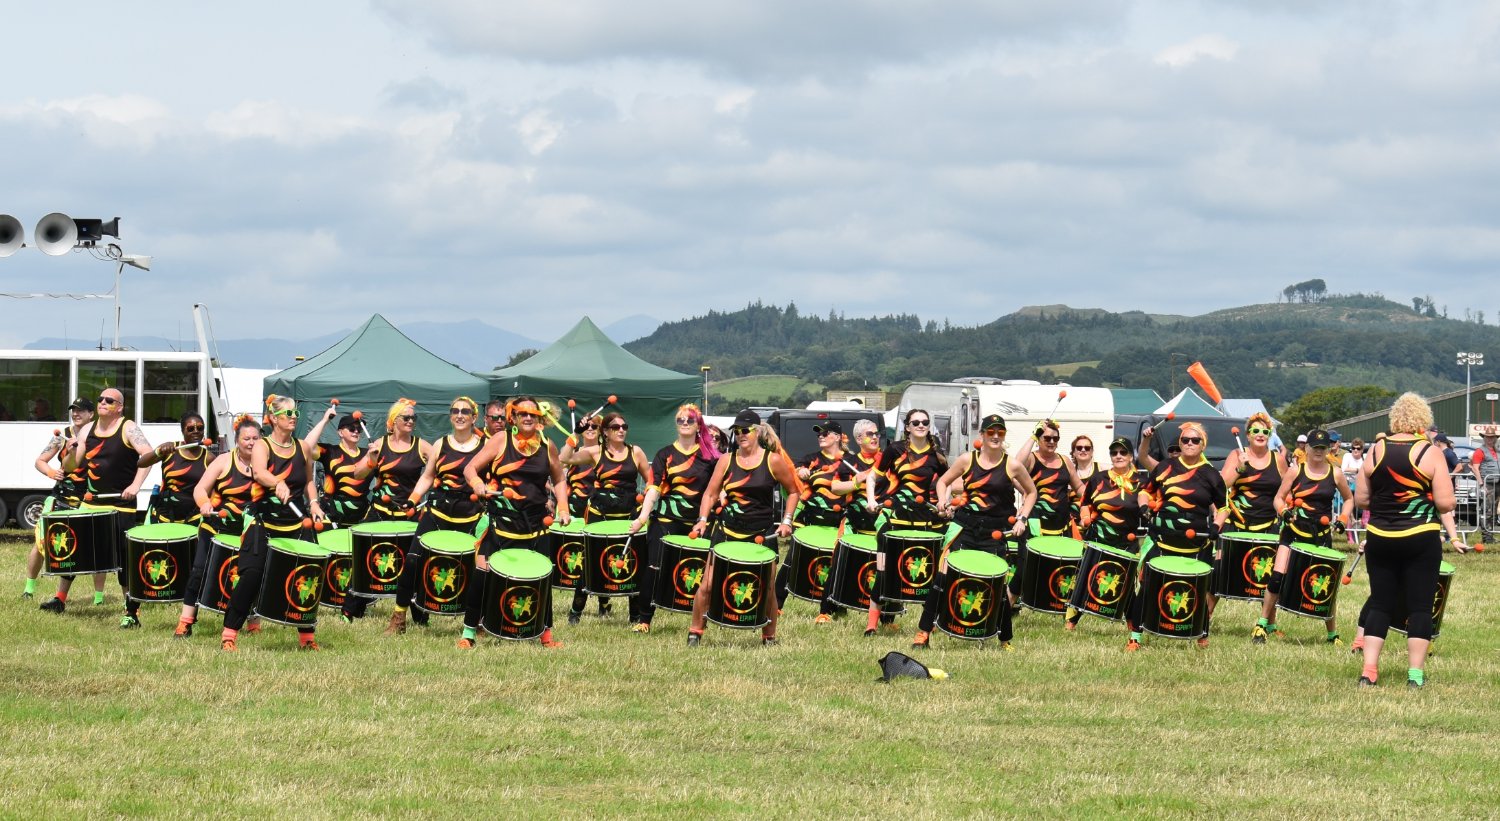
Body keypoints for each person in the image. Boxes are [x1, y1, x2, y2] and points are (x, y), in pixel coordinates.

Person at [1353, 393, 1454, 688]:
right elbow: (1447, 504)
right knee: (1420, 607)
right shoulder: (1430, 452)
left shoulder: (1376, 450)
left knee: (1380, 604)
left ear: (1394, 418)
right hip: (1420, 537)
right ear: (1424, 419)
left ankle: (1369, 671)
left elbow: (1361, 499)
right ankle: (1415, 675)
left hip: (1380, 536)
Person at [912, 414, 1037, 649]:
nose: (996, 436)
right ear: (982, 435)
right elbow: (943, 482)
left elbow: (1031, 492)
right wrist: (942, 501)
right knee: (943, 576)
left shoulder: (1012, 464)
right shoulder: (967, 460)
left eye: (1000, 432)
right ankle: (924, 632)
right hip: (966, 526)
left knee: (998, 583)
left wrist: (1022, 517)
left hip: (995, 531)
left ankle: (1004, 639)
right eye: (991, 432)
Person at [460, 396, 571, 649]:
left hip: (536, 523)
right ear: (514, 417)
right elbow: (470, 468)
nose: (528, 418)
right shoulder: (501, 440)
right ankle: (469, 633)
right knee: (482, 573)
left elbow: (560, 478)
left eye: (533, 414)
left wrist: (563, 506)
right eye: (522, 413)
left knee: (543, 576)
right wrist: (478, 485)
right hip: (502, 522)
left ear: (540, 418)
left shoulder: (548, 445)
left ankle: (546, 636)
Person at [686, 410, 800, 647]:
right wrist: (702, 518)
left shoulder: (773, 460)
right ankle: (695, 632)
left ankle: (769, 637)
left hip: (761, 533)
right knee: (707, 583)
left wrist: (787, 520)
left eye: (745, 430)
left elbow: (794, 491)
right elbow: (711, 493)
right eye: (736, 431)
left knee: (767, 588)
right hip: (728, 530)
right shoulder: (727, 460)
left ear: (757, 431)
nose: (740, 435)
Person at [220, 396, 324, 651]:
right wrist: (277, 482)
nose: (294, 416)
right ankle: (229, 634)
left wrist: (314, 504)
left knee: (306, 574)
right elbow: (259, 472)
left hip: (296, 521)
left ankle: (307, 638)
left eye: (296, 412)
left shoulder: (302, 447)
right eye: (288, 412)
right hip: (263, 520)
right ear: (274, 417)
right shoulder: (262, 446)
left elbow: (309, 480)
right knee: (251, 576)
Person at [382, 396, 487, 635]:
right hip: (438, 512)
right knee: (412, 561)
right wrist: (413, 500)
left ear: (474, 417)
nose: (459, 415)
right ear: (450, 415)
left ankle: (477, 621)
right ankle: (399, 616)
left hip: (471, 516)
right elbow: (428, 476)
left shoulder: (484, 445)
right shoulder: (440, 443)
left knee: (477, 570)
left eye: (465, 411)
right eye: (455, 411)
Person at [1127, 421, 1227, 650]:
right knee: (1146, 586)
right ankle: (1136, 636)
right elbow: (1145, 490)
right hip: (1163, 538)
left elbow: (1223, 507)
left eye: (1195, 440)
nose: (1189, 444)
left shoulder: (1211, 475)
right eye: (1185, 440)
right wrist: (1144, 508)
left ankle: (1201, 634)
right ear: (1179, 443)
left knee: (1199, 589)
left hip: (1196, 544)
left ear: (1203, 445)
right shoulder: (1166, 467)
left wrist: (1216, 527)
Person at [1251, 429, 1353, 645]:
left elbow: (1349, 499)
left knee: (1326, 582)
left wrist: (1343, 518)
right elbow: (1278, 498)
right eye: (1314, 447)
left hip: (1321, 535)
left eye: (1322, 448)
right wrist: (1284, 512)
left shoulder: (1335, 473)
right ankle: (1261, 625)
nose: (1318, 451)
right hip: (1293, 532)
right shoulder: (1295, 470)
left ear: (1328, 449)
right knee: (1277, 577)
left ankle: (1332, 634)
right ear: (1306, 448)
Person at [64, 387, 154, 628]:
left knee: (124, 561)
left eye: (109, 400)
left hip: (121, 505)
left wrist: (135, 485)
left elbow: (148, 455)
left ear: (120, 407)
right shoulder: (87, 430)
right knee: (73, 551)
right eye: (100, 399)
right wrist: (70, 452)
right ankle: (59, 598)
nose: (103, 402)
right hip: (91, 503)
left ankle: (131, 612)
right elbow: (72, 465)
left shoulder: (128, 427)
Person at [628, 403, 720, 633]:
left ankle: (702, 620)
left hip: (699, 521)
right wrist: (641, 518)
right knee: (654, 567)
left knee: (703, 572)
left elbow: (717, 489)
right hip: (667, 519)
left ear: (698, 424)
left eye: (690, 420)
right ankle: (644, 619)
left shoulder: (710, 457)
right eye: (681, 420)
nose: (685, 423)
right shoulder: (664, 454)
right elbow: (653, 489)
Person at [560, 410, 654, 624]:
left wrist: (646, 500)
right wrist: (576, 433)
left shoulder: (635, 451)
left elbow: (652, 482)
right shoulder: (594, 452)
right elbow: (564, 458)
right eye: (615, 427)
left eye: (624, 426)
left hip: (629, 516)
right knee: (591, 563)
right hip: (599, 516)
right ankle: (575, 614)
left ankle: (635, 617)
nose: (621, 430)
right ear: (606, 431)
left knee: (634, 564)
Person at [341, 398, 431, 621]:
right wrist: (371, 459)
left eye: (413, 418)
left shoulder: (421, 446)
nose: (411, 421)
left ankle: (420, 617)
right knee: (364, 559)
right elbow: (357, 474)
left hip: (408, 513)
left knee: (413, 563)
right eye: (406, 417)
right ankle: (351, 609)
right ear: (394, 421)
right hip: (380, 511)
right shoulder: (380, 444)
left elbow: (438, 468)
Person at [864, 408, 950, 633]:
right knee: (884, 572)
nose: (921, 425)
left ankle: (928, 625)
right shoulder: (895, 449)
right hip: (896, 519)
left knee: (928, 577)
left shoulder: (936, 454)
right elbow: (873, 476)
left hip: (924, 523)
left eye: (925, 422)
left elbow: (947, 482)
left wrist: (944, 502)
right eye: (916, 422)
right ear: (908, 427)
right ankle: (871, 625)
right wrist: (871, 500)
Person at [175, 415, 260, 638]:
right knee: (198, 572)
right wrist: (204, 503)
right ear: (237, 440)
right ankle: (185, 622)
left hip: (248, 531)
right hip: (215, 527)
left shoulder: (267, 465)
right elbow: (200, 489)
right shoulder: (223, 461)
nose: (251, 442)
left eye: (255, 438)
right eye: (246, 438)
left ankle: (253, 623)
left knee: (251, 575)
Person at [24, 397, 107, 605]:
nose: (76, 414)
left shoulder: (99, 437)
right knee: (41, 544)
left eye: (81, 411)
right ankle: (28, 589)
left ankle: (98, 597)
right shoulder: (63, 437)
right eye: (73, 410)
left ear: (91, 414)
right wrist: (52, 472)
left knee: (94, 547)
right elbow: (40, 461)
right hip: (60, 497)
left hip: (88, 500)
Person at [1065, 436, 1145, 629]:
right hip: (1098, 538)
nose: (1118, 456)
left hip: (1127, 540)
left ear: (1130, 456)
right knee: (1085, 579)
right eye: (1114, 452)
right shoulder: (1099, 478)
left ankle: (1133, 627)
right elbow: (1085, 503)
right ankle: (1071, 622)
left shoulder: (1140, 481)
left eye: (1123, 452)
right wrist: (1085, 518)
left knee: (1126, 584)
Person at [814, 418, 885, 624]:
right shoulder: (850, 462)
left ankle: (887, 618)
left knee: (883, 569)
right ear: (859, 439)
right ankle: (826, 610)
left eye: (876, 434)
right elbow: (835, 488)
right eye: (870, 434)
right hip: (854, 522)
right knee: (838, 564)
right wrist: (856, 480)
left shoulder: (886, 460)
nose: (875, 437)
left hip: (880, 523)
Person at [138, 412, 211, 525]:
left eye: (200, 428)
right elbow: (141, 463)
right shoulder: (170, 449)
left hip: (193, 517)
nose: (196, 431)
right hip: (164, 516)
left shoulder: (208, 457)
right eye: (191, 428)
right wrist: (158, 452)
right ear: (183, 431)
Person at [303, 408, 372, 528]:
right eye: (351, 429)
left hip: (361, 515)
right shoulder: (330, 451)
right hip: (332, 513)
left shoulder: (368, 454)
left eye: (359, 429)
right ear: (340, 432)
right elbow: (306, 447)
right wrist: (325, 420)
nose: (356, 432)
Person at [1220, 412, 1286, 535]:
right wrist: (1239, 469)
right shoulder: (1236, 454)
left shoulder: (1279, 459)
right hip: (1237, 525)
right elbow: (1221, 485)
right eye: (1255, 431)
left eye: (1265, 432)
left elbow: (1287, 491)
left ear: (1269, 436)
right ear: (1248, 435)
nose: (1260, 435)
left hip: (1269, 525)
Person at [1018, 420, 1085, 538]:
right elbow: (1016, 464)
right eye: (1047, 438)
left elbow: (1079, 487)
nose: (1052, 442)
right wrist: (1033, 436)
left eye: (1056, 439)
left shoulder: (1065, 460)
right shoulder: (1031, 459)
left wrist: (1094, 499)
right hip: (1035, 523)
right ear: (1039, 440)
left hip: (1061, 525)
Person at [1469, 426, 1499, 543]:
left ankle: (1490, 537)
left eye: (1492, 437)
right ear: (1484, 438)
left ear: (1495, 438)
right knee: (1487, 510)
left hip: (1497, 484)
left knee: (1494, 510)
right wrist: (1482, 485)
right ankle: (1486, 537)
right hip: (1488, 484)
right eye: (1488, 437)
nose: (1490, 439)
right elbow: (1475, 468)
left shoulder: (1497, 451)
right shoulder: (1480, 451)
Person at [1340, 438, 1367, 541]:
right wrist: (1357, 470)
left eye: (1358, 448)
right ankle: (1350, 538)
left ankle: (1359, 529)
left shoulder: (1365, 457)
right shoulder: (1347, 456)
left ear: (1362, 450)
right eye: (1353, 448)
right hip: (1348, 487)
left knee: (1361, 514)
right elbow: (1344, 469)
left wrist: (1355, 471)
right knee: (1349, 511)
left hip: (1361, 488)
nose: (1355, 450)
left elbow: (1367, 470)